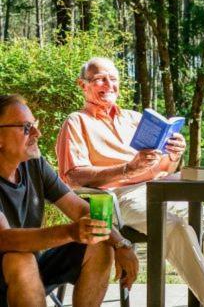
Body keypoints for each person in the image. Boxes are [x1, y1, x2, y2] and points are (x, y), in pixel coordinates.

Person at [55, 57, 204, 307]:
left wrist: (174, 154)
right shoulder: (76, 122)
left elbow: (165, 168)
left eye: (113, 79)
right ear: (83, 85)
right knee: (175, 227)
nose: (108, 84)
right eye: (99, 79)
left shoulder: (134, 119)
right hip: (117, 197)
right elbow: (73, 176)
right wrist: (127, 169)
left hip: (159, 190)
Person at [0, 94, 138, 307]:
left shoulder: (33, 165)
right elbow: (6, 239)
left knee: (100, 242)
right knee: (21, 259)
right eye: (26, 127)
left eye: (34, 125)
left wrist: (121, 244)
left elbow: (80, 209)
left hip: (30, 272)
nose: (37, 133)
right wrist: (70, 232)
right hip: (14, 269)